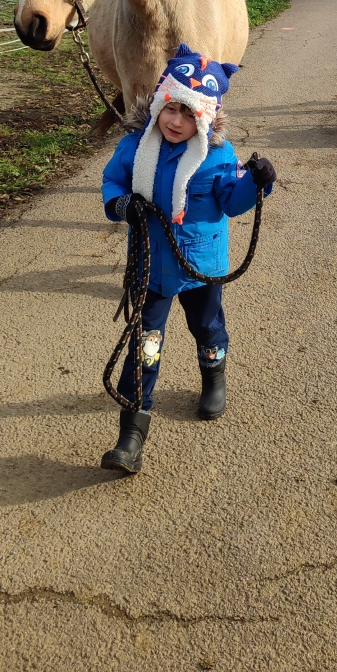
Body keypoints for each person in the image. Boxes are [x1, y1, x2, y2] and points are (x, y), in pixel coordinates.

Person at [100, 44, 276, 474]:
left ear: (206, 118)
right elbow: (113, 181)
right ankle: (131, 434)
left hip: (201, 268)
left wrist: (256, 184)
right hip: (150, 266)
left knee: (207, 326)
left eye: (189, 114)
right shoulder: (135, 147)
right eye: (170, 109)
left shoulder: (217, 155)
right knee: (144, 342)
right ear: (159, 103)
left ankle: (213, 372)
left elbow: (231, 202)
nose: (176, 122)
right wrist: (122, 204)